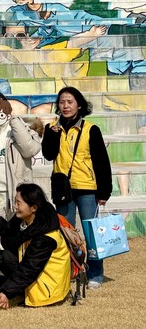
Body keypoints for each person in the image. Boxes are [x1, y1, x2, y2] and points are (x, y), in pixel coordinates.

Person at [41, 86, 112, 289]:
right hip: (62, 188)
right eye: (62, 102)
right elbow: (48, 154)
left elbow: (101, 162)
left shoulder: (91, 129)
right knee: (66, 232)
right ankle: (71, 271)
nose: (65, 106)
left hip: (87, 187)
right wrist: (52, 135)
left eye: (70, 102)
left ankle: (95, 273)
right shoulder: (52, 128)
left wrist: (104, 192)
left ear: (79, 105)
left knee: (91, 233)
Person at [0, 183, 71, 308]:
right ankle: (16, 288)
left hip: (47, 289)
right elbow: (10, 234)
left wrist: (7, 293)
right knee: (0, 256)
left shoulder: (46, 237)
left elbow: (29, 269)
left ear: (33, 208)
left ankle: (16, 289)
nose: (15, 206)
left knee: (7, 258)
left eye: (18, 203)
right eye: (15, 202)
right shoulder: (25, 218)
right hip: (32, 271)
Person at [0, 94, 41, 222]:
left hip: (18, 192)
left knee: (19, 230)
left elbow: (30, 150)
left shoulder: (19, 127)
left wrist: (15, 123)